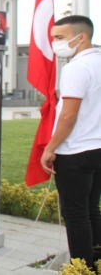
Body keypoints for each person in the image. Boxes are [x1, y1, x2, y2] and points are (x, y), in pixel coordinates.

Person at [40, 15, 101, 270]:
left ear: (81, 36)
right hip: (97, 147)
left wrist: (50, 148)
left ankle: (81, 266)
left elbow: (68, 115)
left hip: (75, 150)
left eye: (60, 38)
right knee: (91, 208)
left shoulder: (76, 67)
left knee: (75, 214)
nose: (55, 43)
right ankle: (95, 260)